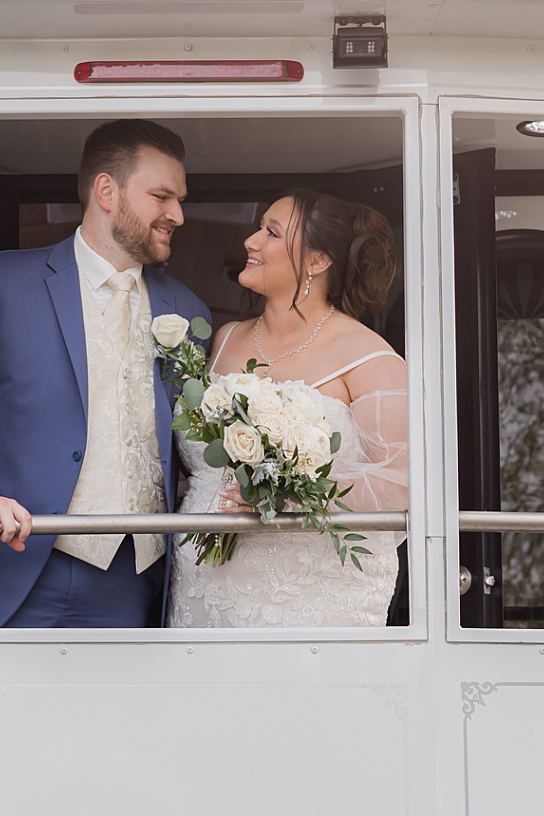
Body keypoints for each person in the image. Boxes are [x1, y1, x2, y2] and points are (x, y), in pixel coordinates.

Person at [0, 119, 208, 628]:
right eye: (162, 196)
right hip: (15, 566)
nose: (178, 215)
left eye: (180, 199)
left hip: (136, 578)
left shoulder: (189, 312)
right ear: (107, 190)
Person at [166, 191, 408, 630]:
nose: (250, 242)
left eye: (271, 232)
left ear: (317, 261)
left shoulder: (368, 357)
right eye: (259, 227)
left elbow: (406, 483)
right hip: (202, 584)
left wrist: (287, 491)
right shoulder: (223, 340)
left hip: (309, 595)